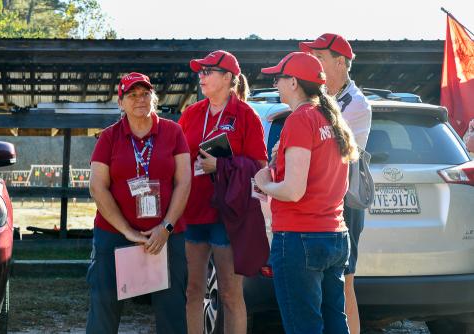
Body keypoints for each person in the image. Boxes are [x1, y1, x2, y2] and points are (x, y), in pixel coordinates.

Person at [254, 52, 358, 334]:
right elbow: (336, 183)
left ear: (294, 83)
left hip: (300, 238)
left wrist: (264, 183)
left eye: (279, 78)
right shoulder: (331, 117)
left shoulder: (300, 120)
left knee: (304, 327)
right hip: (334, 235)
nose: (275, 84)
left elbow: (293, 190)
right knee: (336, 323)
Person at [86, 72, 191, 334]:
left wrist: (165, 226)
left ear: (153, 98)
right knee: (104, 308)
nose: (139, 100)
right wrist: (126, 231)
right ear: (120, 103)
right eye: (132, 95)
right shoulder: (109, 137)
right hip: (115, 234)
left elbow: (184, 182)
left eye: (145, 94)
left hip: (165, 235)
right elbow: (97, 186)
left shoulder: (173, 131)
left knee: (172, 310)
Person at [178, 50, 268, 334]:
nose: (201, 77)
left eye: (208, 72)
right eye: (200, 72)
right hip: (192, 212)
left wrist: (222, 165)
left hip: (227, 217)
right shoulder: (191, 113)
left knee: (230, 293)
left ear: (228, 77)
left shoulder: (246, 115)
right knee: (193, 290)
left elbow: (260, 167)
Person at [300, 33, 372, 334]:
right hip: (321, 201)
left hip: (344, 203)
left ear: (340, 62)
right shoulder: (320, 101)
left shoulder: (355, 104)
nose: (314, 64)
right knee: (323, 288)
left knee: (345, 282)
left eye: (319, 58)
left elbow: (328, 148)